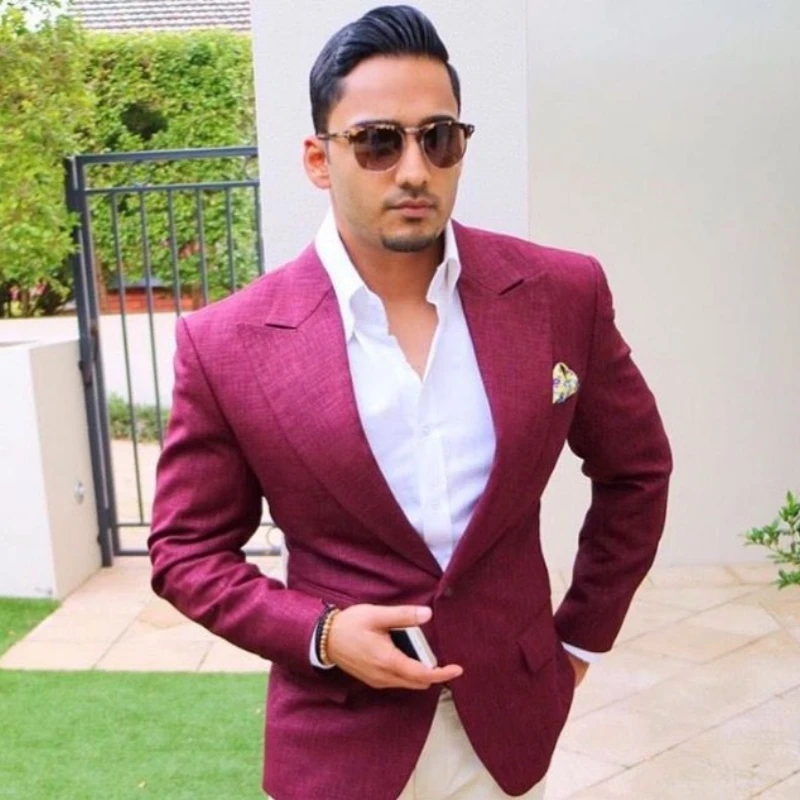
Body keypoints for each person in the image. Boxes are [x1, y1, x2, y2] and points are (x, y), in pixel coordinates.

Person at [149, 5, 672, 799]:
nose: (415, 170)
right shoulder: (227, 344)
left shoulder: (562, 293)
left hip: (510, 726)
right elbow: (186, 552)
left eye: (439, 138)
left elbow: (636, 472)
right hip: (339, 739)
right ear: (319, 159)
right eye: (378, 142)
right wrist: (321, 633)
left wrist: (578, 643)